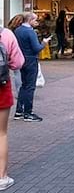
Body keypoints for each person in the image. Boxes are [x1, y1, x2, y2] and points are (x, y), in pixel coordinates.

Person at [0, 23, 25, 191]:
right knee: (1, 133)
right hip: (1, 87)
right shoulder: (6, 34)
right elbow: (18, 63)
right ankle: (2, 177)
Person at [14, 12, 51, 122]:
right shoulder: (31, 32)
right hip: (31, 60)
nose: (37, 22)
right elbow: (36, 48)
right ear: (29, 20)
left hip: (21, 59)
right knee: (30, 86)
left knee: (23, 86)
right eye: (35, 20)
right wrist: (44, 43)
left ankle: (19, 111)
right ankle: (28, 113)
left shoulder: (18, 30)